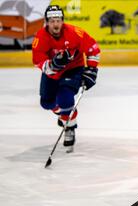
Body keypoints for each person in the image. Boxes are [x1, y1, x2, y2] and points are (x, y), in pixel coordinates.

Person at [32, 5, 100, 150]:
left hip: (73, 69)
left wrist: (92, 69)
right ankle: (63, 115)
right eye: (52, 21)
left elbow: (92, 48)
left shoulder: (75, 33)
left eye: (58, 20)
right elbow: (38, 59)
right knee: (46, 103)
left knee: (65, 97)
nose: (55, 24)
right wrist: (53, 65)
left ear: (62, 21)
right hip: (53, 72)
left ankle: (69, 126)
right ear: (47, 22)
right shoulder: (40, 36)